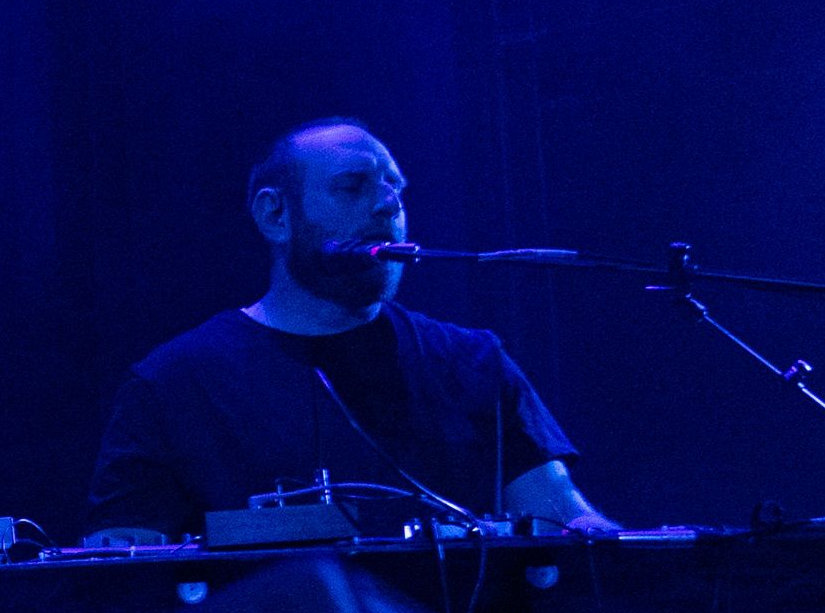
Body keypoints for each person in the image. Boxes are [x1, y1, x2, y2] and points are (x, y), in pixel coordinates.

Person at [85, 117, 617, 543]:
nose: (388, 205)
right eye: (353, 186)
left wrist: (623, 548)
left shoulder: (473, 361)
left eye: (395, 189)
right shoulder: (172, 384)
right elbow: (123, 571)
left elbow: (562, 517)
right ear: (275, 216)